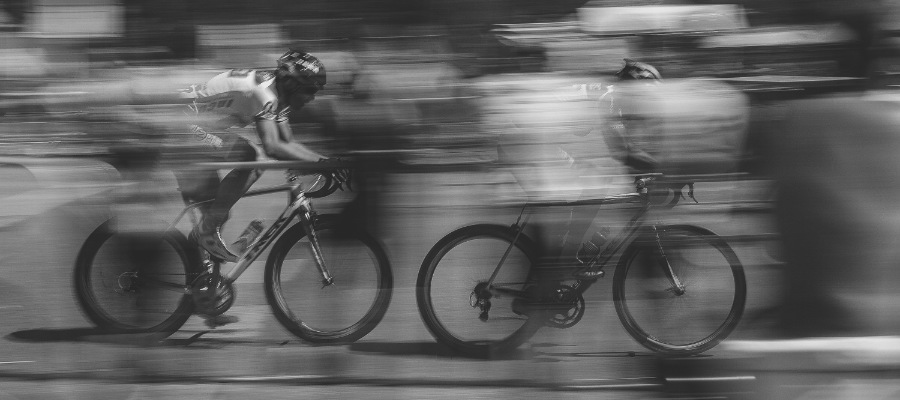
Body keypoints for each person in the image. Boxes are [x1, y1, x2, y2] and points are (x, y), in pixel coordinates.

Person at [177, 49, 341, 262]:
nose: (312, 98)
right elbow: (273, 147)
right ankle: (204, 235)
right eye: (310, 90)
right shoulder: (264, 93)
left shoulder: (278, 95)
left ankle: (199, 280)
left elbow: (288, 144)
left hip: (194, 125)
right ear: (291, 84)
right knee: (255, 158)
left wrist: (325, 162)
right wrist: (321, 164)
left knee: (218, 212)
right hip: (181, 126)